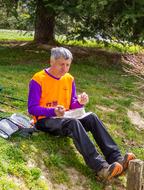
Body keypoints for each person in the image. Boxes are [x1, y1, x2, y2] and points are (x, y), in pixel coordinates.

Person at [28, 47, 136, 182]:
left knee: (92, 117)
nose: (65, 68)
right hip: (44, 122)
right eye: (62, 64)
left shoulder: (69, 79)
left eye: (68, 65)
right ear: (51, 61)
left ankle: (116, 158)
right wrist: (53, 111)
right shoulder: (38, 79)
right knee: (73, 123)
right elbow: (32, 109)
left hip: (64, 118)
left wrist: (79, 102)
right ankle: (101, 168)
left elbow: (71, 104)